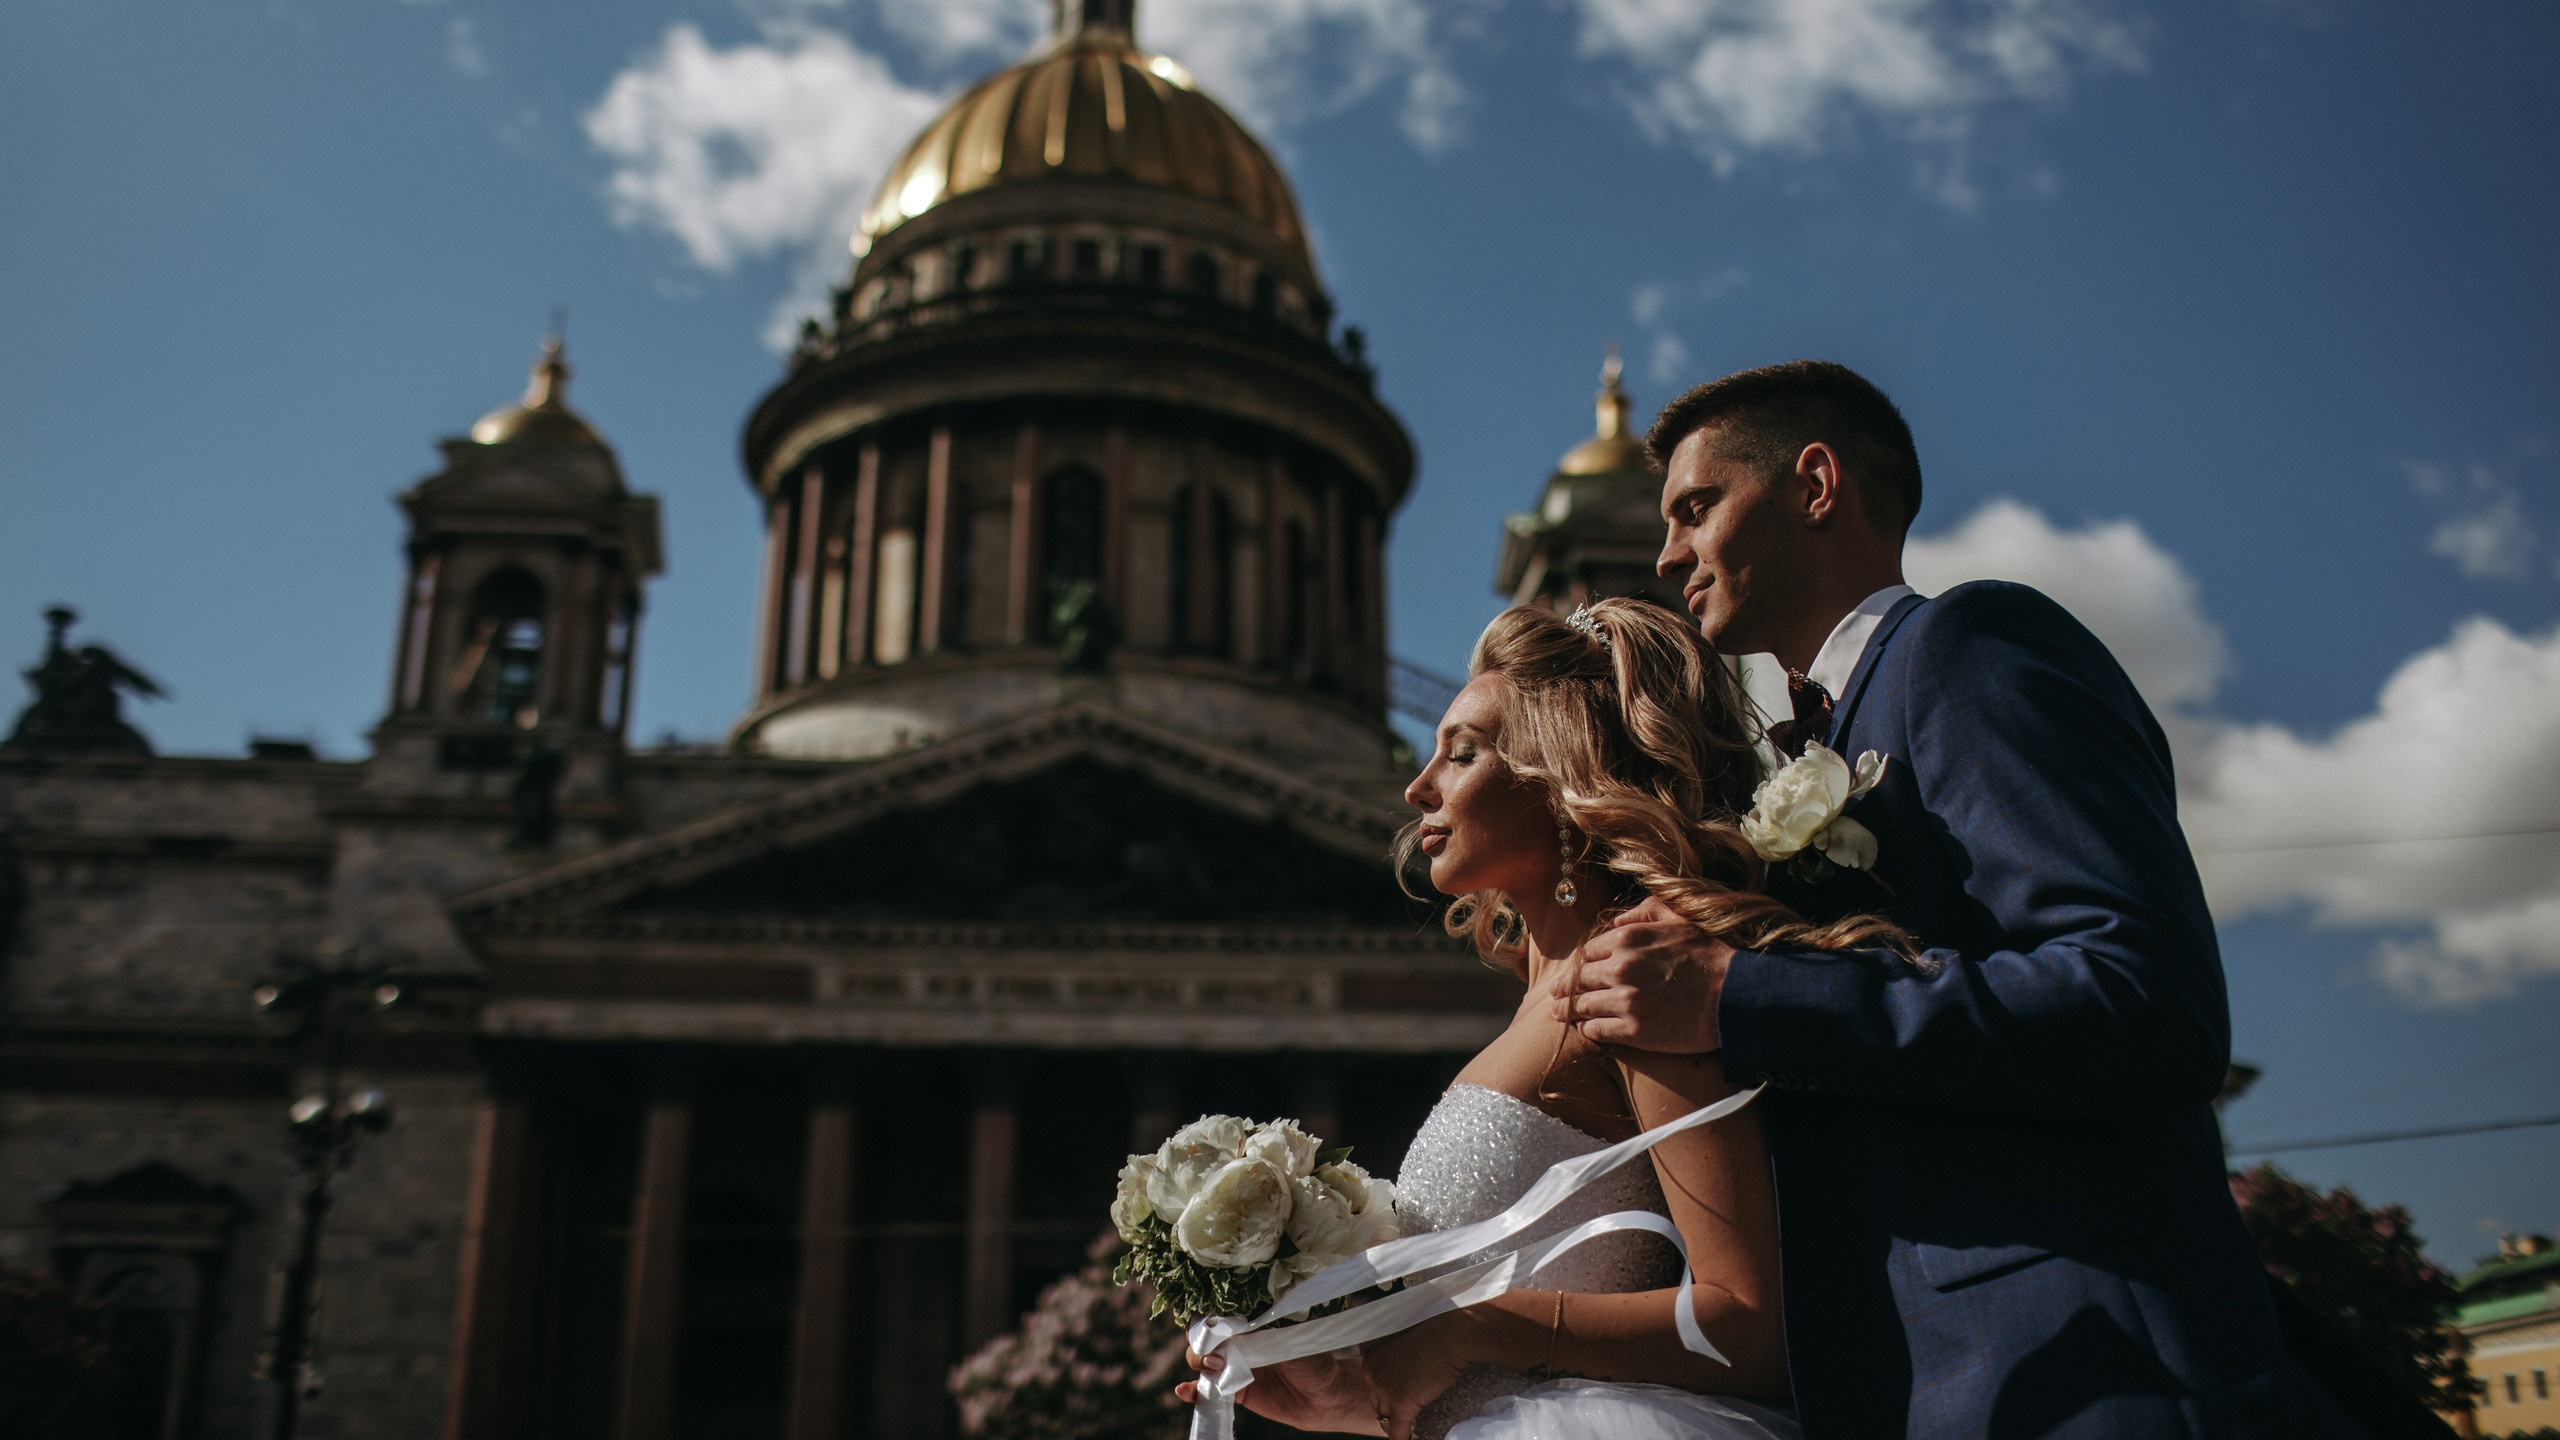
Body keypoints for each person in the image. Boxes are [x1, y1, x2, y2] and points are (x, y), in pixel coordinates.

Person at [1551, 360, 2360, 1437]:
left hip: (2085, 1371)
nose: (1667, 554)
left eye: (1696, 509)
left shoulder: (1965, 647)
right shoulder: (1816, 736)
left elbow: (2142, 999)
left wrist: (1743, 996)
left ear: (1816, 484)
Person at [1186, 598, 1906, 1440]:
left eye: (1462, 754)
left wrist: (1479, 1327)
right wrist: (1347, 1400)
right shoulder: (1544, 995)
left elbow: (1750, 1325)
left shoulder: (1637, 977)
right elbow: (1488, 1382)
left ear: (1565, 779)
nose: (1419, 787)